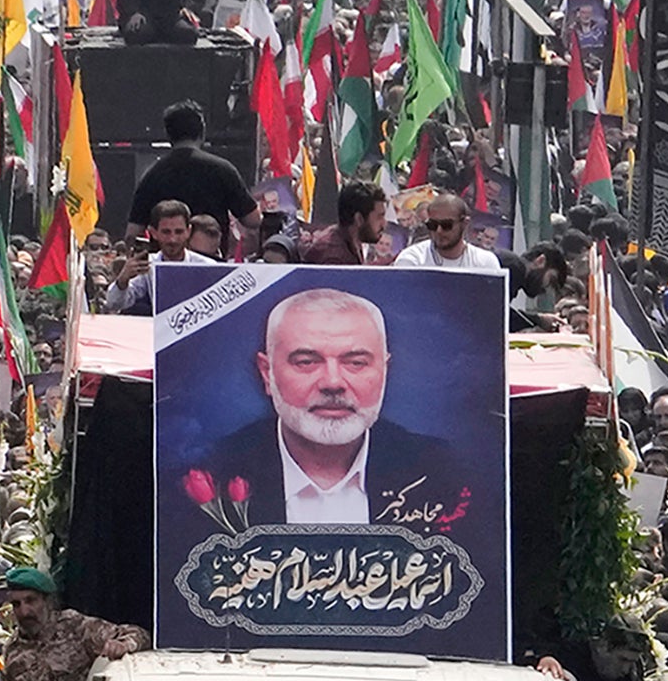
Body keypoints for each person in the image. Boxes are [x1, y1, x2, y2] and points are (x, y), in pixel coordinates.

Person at [160, 287, 480, 529]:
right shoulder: (209, 475)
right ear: (267, 373)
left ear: (384, 371)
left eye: (355, 363)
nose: (332, 382)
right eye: (306, 362)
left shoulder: (442, 471)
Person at [391, 191, 504, 275]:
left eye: (446, 225)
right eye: (433, 225)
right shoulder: (412, 260)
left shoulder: (485, 263)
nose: (439, 231)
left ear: (464, 223)